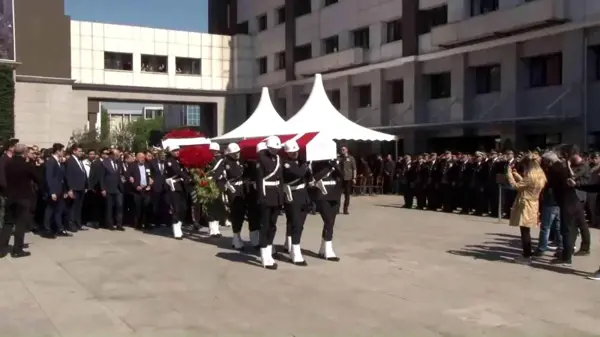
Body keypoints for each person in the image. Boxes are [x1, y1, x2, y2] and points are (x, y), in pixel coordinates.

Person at [0, 144, 41, 258]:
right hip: (23, 198)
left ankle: (1, 249)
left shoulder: (8, 164)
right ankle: (17, 250)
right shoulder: (26, 165)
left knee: (7, 223)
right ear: (24, 153)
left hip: (10, 197)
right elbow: (37, 179)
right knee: (20, 224)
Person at [506, 153, 547, 264]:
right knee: (526, 230)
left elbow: (516, 186)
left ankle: (526, 255)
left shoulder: (530, 176)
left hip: (526, 204)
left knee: (524, 231)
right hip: (534, 202)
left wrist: (509, 173)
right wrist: (516, 174)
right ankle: (527, 254)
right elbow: (525, 182)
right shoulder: (541, 175)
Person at [256, 136, 283, 270]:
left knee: (273, 226)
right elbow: (259, 180)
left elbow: (281, 179)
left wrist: (281, 198)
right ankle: (264, 256)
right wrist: (261, 197)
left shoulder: (278, 159)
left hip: (276, 196)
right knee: (265, 226)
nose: (277, 151)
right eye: (274, 148)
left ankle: (269, 251)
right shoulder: (261, 159)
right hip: (267, 195)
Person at [281, 140, 310, 266]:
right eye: (292, 152)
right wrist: (306, 165)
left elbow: (307, 176)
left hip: (303, 195)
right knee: (296, 224)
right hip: (292, 196)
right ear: (287, 153)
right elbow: (299, 173)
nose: (295, 154)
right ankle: (295, 252)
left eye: (296, 151)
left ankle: (291, 245)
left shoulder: (299, 162)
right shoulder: (286, 164)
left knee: (300, 224)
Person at [311, 158, 343, 262]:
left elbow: (342, 176)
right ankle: (329, 251)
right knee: (328, 221)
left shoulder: (335, 163)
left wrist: (336, 165)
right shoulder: (316, 163)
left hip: (334, 194)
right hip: (323, 194)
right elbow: (316, 177)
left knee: (330, 223)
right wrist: (329, 167)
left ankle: (322, 249)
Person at [42, 143, 70, 238]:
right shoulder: (51, 161)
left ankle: (59, 228)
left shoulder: (59, 161)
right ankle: (47, 229)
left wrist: (65, 190)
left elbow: (62, 177)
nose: (63, 153)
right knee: (50, 210)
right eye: (62, 151)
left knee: (59, 210)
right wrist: (51, 192)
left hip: (61, 190)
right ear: (57, 151)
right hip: (54, 190)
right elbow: (49, 178)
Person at [221, 143, 246, 249]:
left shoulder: (240, 161)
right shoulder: (225, 163)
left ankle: (238, 235)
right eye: (235, 153)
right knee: (235, 214)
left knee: (241, 214)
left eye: (238, 152)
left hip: (241, 189)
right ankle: (236, 237)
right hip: (233, 190)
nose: (237, 154)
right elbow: (219, 176)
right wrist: (225, 186)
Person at [164, 145, 189, 239]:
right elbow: (177, 171)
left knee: (184, 207)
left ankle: (179, 224)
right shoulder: (170, 161)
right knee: (176, 208)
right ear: (170, 152)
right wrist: (186, 177)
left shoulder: (178, 160)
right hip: (174, 186)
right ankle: (176, 227)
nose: (177, 152)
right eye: (174, 150)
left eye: (177, 150)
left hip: (181, 185)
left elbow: (183, 169)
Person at [64, 145, 88, 232]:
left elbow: (83, 173)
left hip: (81, 187)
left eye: (81, 151)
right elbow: (69, 176)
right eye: (79, 151)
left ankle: (78, 223)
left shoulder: (79, 161)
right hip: (74, 188)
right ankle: (71, 224)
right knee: (72, 207)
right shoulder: (70, 161)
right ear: (74, 151)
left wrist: (85, 186)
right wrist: (70, 189)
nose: (81, 153)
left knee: (79, 207)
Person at [100, 148, 125, 231]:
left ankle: (119, 224)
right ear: (111, 155)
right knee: (109, 207)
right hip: (109, 188)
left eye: (118, 155)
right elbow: (101, 177)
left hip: (118, 188)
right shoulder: (104, 163)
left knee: (120, 206)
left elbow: (121, 173)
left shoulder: (119, 162)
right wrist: (103, 188)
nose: (118, 157)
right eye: (116, 155)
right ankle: (110, 224)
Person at [127, 152, 153, 230]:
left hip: (146, 189)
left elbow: (150, 175)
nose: (143, 159)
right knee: (138, 207)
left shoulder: (147, 166)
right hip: (137, 190)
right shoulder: (132, 166)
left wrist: (150, 182)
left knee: (147, 206)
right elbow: (129, 176)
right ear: (137, 158)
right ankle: (137, 224)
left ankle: (146, 223)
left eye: (143, 157)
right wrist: (136, 186)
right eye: (141, 157)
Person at [338, 146, 356, 214]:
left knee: (347, 195)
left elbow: (354, 168)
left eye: (343, 149)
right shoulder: (339, 158)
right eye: (341, 149)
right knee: (338, 194)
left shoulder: (351, 158)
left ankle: (345, 209)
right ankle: (337, 209)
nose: (342, 150)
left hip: (348, 178)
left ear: (346, 150)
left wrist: (354, 178)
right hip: (340, 178)